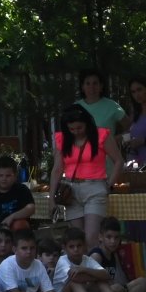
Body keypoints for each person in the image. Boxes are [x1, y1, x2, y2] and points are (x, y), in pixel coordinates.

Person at [49, 103, 122, 244]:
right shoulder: (62, 139)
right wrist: (51, 198)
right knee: (77, 240)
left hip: (95, 188)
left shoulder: (101, 135)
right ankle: (82, 265)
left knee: (91, 237)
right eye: (71, 129)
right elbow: (57, 169)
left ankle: (92, 265)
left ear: (87, 123)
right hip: (70, 190)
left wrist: (109, 185)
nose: (76, 131)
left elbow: (119, 161)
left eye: (79, 127)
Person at [55, 229, 126, 292]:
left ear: (84, 246)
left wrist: (84, 269)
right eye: (71, 247)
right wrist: (95, 276)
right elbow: (76, 278)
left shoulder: (87, 259)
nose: (76, 249)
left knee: (101, 281)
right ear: (64, 248)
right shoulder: (62, 261)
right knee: (74, 282)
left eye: (79, 246)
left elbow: (106, 275)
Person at [0, 230, 64, 292]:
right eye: (24, 248)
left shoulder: (38, 264)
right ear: (15, 250)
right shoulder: (7, 265)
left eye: (32, 248)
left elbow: (48, 291)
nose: (29, 252)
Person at [95, 219, 146, 292]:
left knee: (142, 281)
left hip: (113, 291)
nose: (113, 241)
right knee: (117, 289)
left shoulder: (113, 254)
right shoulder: (96, 255)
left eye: (116, 238)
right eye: (109, 237)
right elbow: (93, 284)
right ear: (100, 237)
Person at [0, 156, 36, 231]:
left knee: (19, 224)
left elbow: (31, 208)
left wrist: (12, 217)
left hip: (18, 230)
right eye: (1, 175)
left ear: (15, 176)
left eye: (8, 176)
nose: (4, 179)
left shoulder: (22, 189)